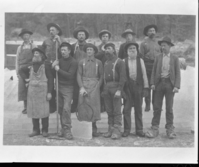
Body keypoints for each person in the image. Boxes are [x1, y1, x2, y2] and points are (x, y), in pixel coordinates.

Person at [145, 37, 181, 139]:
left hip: (170, 85)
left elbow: (178, 73)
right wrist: (152, 83)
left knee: (169, 108)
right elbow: (153, 71)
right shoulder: (158, 57)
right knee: (157, 108)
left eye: (164, 45)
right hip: (159, 84)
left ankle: (170, 129)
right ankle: (154, 128)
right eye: (161, 45)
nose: (162, 47)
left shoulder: (175, 58)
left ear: (169, 46)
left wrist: (176, 86)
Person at [19, 46, 54, 137]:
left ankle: (45, 130)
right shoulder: (31, 65)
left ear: (42, 55)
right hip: (32, 91)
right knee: (34, 110)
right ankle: (36, 130)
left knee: (44, 111)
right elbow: (20, 70)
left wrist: (49, 92)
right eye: (34, 53)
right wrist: (26, 79)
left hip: (43, 91)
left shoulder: (46, 65)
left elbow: (50, 79)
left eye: (37, 53)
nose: (35, 55)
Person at [51, 42, 78, 140]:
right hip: (58, 86)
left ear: (69, 51)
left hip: (68, 88)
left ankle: (67, 130)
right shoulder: (59, 61)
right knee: (60, 108)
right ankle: (63, 128)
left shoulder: (73, 62)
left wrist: (58, 69)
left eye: (64, 50)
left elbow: (70, 75)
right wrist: (53, 66)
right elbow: (54, 75)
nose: (62, 52)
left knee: (66, 108)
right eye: (61, 50)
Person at [122, 42, 149, 137]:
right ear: (127, 51)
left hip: (138, 87)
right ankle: (126, 130)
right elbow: (122, 77)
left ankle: (139, 129)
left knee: (138, 109)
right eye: (130, 49)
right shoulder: (123, 61)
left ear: (137, 50)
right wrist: (122, 90)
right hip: (127, 88)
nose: (132, 50)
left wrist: (145, 88)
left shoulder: (140, 60)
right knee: (126, 110)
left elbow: (144, 74)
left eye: (134, 48)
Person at [76, 43, 103, 137]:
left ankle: (94, 128)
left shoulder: (98, 62)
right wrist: (81, 87)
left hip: (94, 86)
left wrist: (97, 86)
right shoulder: (81, 62)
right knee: (84, 107)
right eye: (87, 50)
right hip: (84, 85)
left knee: (94, 106)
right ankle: (85, 128)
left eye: (91, 50)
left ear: (94, 51)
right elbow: (79, 75)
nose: (89, 51)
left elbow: (101, 76)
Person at [102, 43, 126, 140]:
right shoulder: (106, 62)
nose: (107, 51)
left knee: (116, 110)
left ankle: (117, 131)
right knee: (109, 110)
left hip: (116, 87)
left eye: (109, 48)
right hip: (107, 87)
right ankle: (110, 129)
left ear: (114, 50)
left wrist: (119, 90)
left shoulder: (120, 62)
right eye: (105, 49)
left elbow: (123, 77)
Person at [42, 23, 64, 113]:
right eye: (50, 30)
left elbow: (65, 51)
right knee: (50, 84)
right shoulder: (46, 41)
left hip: (58, 65)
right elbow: (42, 52)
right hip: (47, 64)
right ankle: (52, 106)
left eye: (53, 30)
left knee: (59, 84)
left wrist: (59, 42)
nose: (51, 32)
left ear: (57, 31)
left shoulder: (62, 40)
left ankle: (60, 105)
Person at [140, 24, 161, 112]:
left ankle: (156, 105)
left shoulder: (159, 43)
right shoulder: (143, 43)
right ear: (146, 33)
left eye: (153, 31)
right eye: (150, 31)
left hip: (157, 66)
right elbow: (141, 56)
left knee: (156, 85)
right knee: (147, 85)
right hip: (147, 65)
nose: (152, 32)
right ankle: (147, 104)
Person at [16, 28, 37, 114]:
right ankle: (25, 107)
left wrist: (35, 69)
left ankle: (32, 107)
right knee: (23, 88)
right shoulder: (19, 48)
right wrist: (17, 71)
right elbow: (17, 60)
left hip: (31, 69)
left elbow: (37, 57)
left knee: (32, 88)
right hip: (22, 70)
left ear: (29, 36)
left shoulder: (34, 46)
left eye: (27, 35)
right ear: (22, 37)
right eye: (24, 36)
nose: (26, 37)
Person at [71, 26, 89, 113]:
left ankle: (84, 107)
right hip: (75, 71)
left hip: (86, 72)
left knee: (85, 89)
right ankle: (75, 106)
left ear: (85, 36)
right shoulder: (73, 47)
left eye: (83, 34)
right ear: (77, 36)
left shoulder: (89, 47)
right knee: (75, 90)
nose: (81, 36)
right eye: (79, 34)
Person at [95, 30, 112, 113]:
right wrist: (102, 52)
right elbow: (96, 57)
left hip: (109, 70)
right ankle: (101, 106)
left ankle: (107, 106)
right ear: (101, 38)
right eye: (103, 36)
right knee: (100, 87)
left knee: (108, 87)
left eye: (106, 36)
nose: (105, 38)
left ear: (108, 38)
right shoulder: (98, 47)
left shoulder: (112, 47)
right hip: (100, 69)